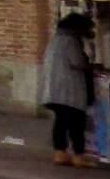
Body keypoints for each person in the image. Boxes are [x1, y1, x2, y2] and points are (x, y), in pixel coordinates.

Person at [42, 12, 98, 167]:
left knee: (60, 122)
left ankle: (60, 153)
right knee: (76, 124)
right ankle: (79, 156)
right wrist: (88, 63)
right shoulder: (71, 41)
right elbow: (77, 62)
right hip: (69, 91)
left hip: (54, 90)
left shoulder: (55, 40)